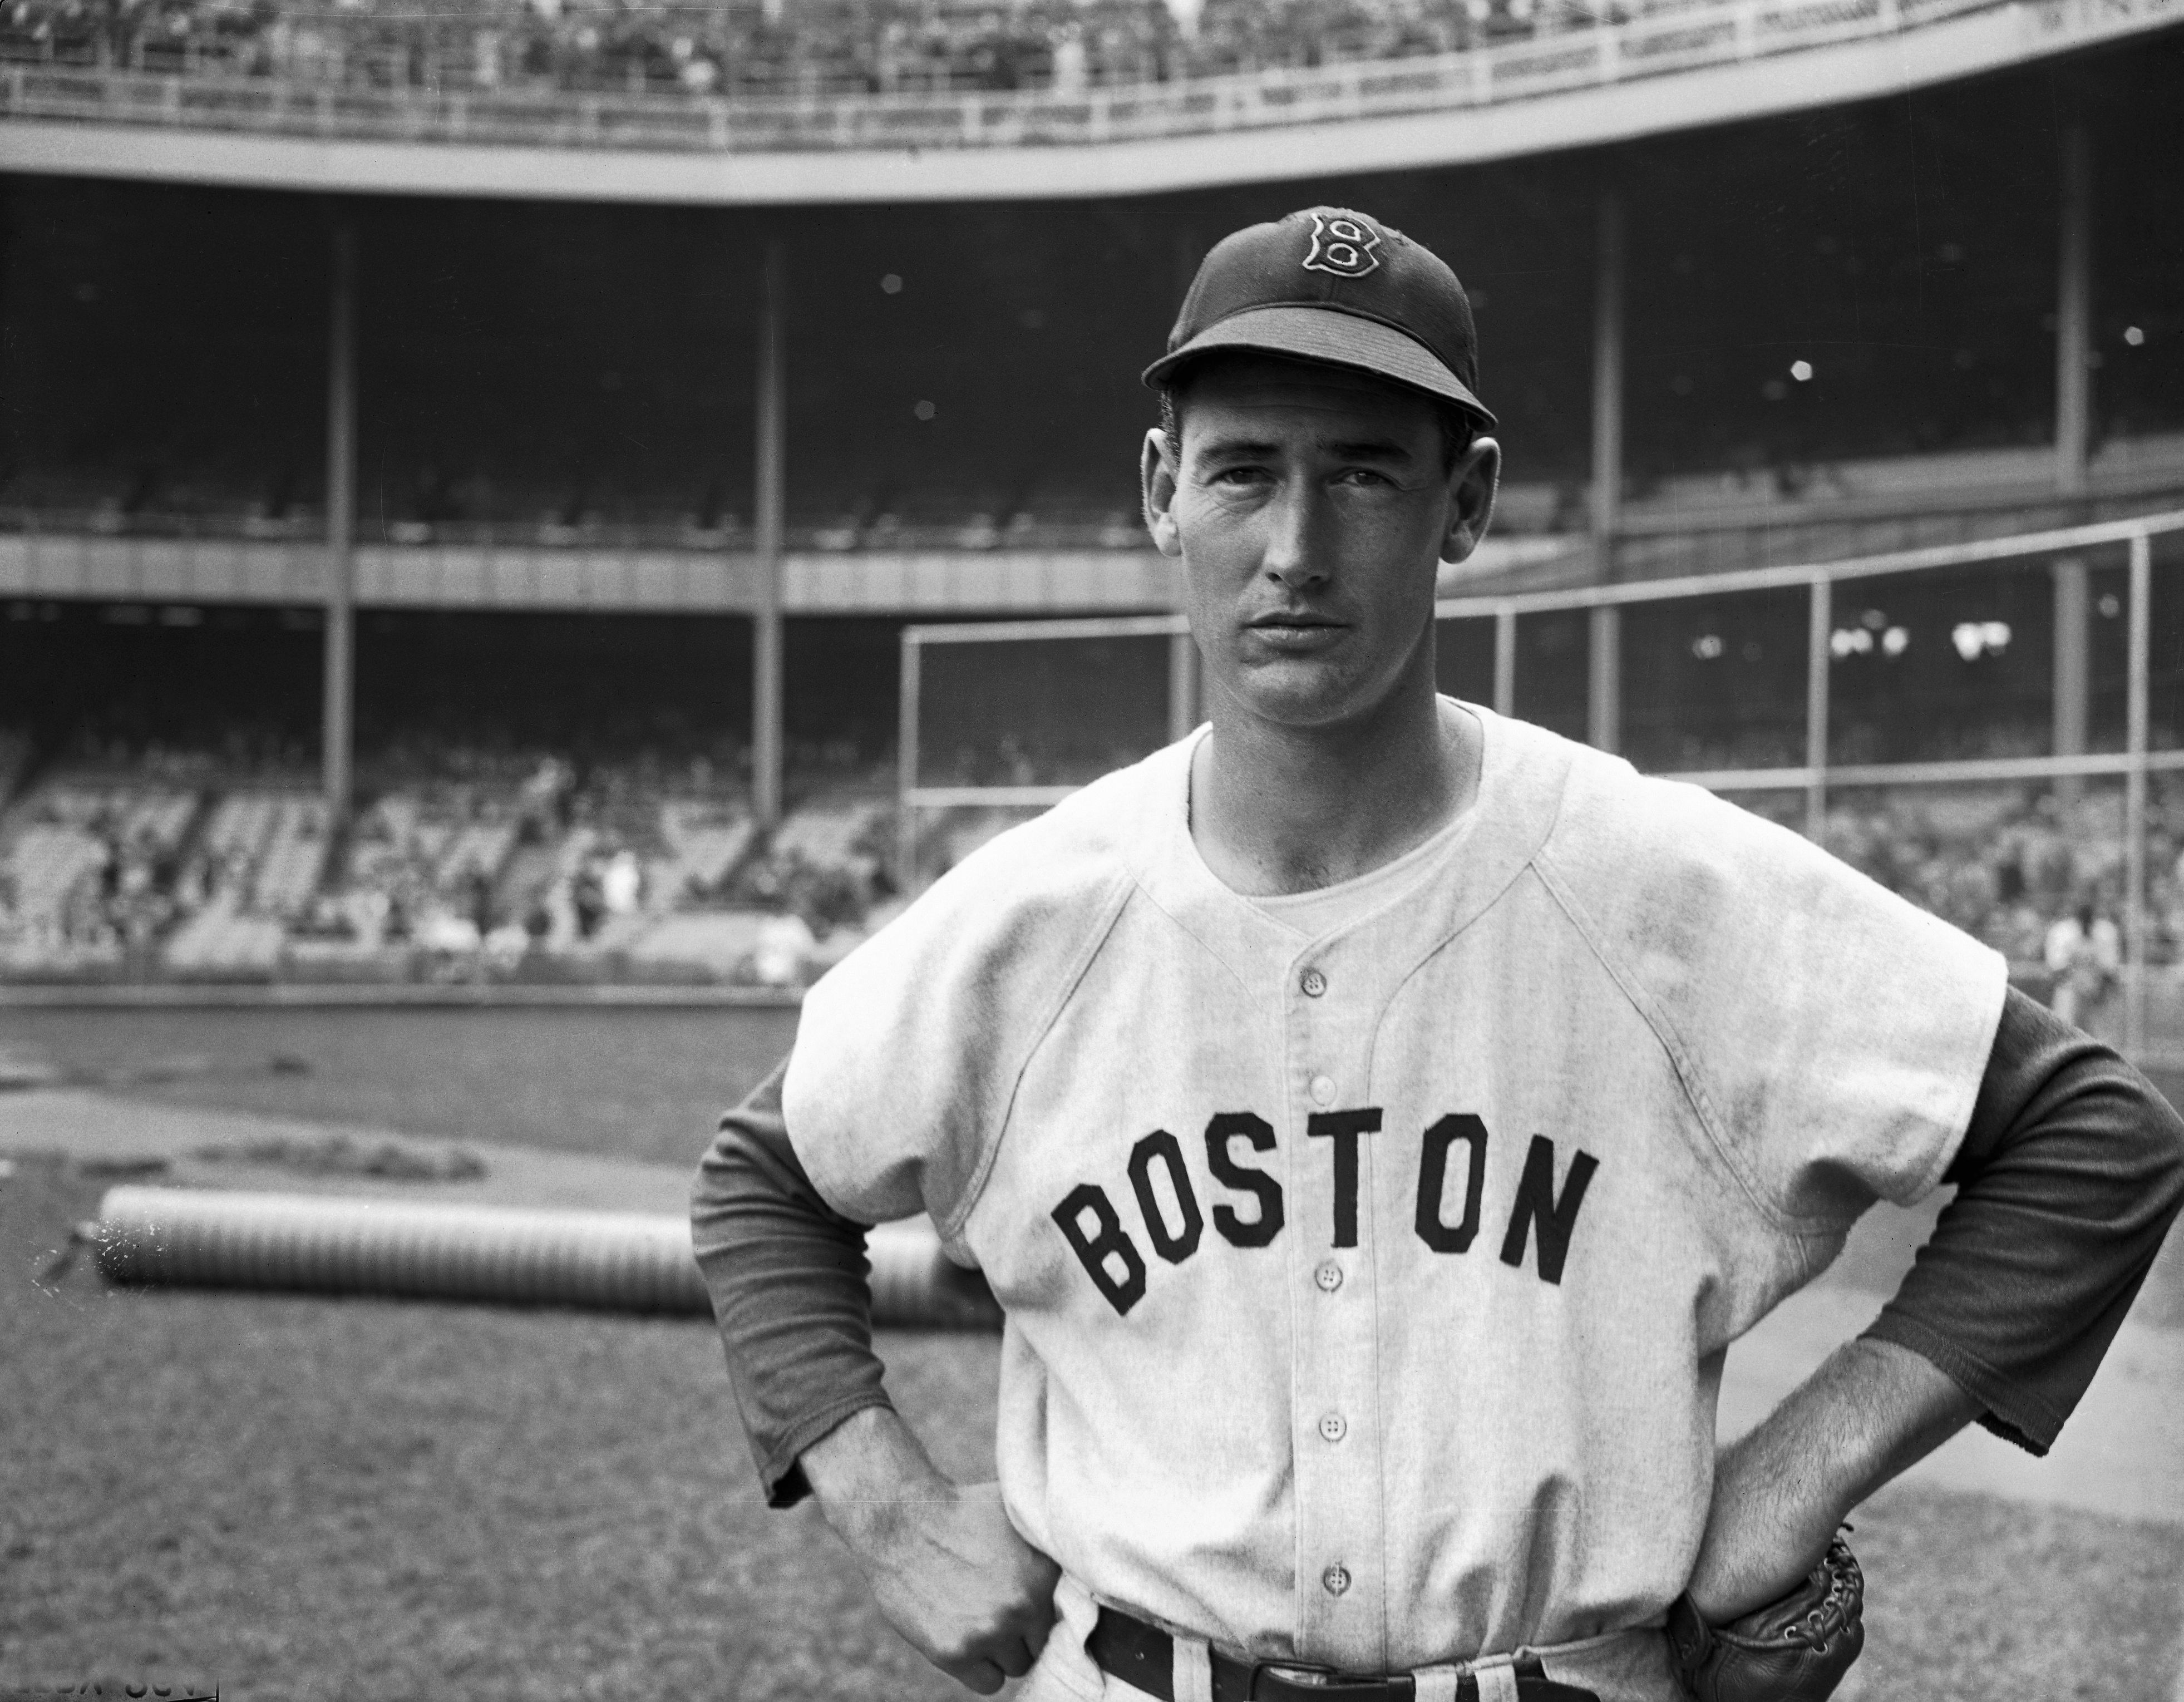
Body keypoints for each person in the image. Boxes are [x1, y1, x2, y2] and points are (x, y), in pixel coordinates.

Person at [691, 208, 2184, 1701]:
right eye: (1244, 472)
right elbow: (765, 1175)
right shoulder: (1036, 913)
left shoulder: (1653, 880)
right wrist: (889, 1514)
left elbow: (2093, 1133)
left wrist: (1801, 1469)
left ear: (1462, 504)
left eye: (1361, 473)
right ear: (1164, 491)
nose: (1295, 548)